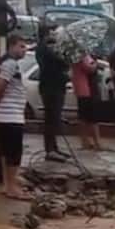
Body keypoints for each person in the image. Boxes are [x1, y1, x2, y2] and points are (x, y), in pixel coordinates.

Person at [0, 35, 31, 200]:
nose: (24, 50)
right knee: (14, 153)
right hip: (11, 116)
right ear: (11, 46)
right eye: (21, 47)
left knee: (7, 152)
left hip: (9, 116)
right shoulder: (10, 64)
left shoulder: (10, 64)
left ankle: (8, 185)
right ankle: (12, 187)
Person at [36, 24, 70, 163]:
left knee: (54, 119)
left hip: (55, 87)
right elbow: (60, 63)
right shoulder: (45, 49)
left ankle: (54, 148)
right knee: (51, 119)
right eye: (52, 33)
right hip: (51, 88)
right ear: (47, 34)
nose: (54, 36)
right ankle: (50, 150)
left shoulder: (49, 49)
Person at [71, 52, 101, 150]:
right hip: (86, 90)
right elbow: (90, 69)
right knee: (91, 118)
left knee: (84, 117)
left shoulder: (77, 56)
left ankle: (86, 141)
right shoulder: (81, 56)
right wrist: (96, 63)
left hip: (82, 89)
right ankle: (95, 142)